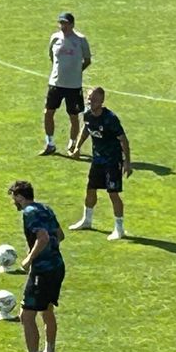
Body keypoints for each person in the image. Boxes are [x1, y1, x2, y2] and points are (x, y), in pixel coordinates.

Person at [8, 180, 66, 352]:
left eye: (14, 198)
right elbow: (60, 235)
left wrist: (28, 259)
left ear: (20, 197)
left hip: (42, 270)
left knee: (26, 315)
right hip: (58, 266)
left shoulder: (29, 212)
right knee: (47, 309)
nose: (13, 203)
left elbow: (43, 237)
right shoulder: (45, 208)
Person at [68, 87, 132, 239]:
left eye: (94, 99)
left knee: (113, 194)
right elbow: (86, 129)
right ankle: (87, 220)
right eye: (89, 98)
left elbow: (123, 140)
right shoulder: (88, 114)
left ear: (102, 101)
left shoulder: (110, 118)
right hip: (98, 160)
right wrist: (77, 146)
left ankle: (119, 228)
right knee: (90, 189)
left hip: (112, 160)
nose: (90, 101)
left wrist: (127, 162)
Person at [41, 12, 91, 156]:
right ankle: (49, 143)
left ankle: (72, 144)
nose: (63, 26)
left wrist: (76, 72)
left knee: (73, 116)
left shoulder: (80, 40)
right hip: (55, 83)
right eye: (61, 23)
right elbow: (52, 57)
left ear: (72, 24)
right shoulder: (54, 38)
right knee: (48, 112)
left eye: (66, 23)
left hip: (73, 86)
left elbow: (87, 60)